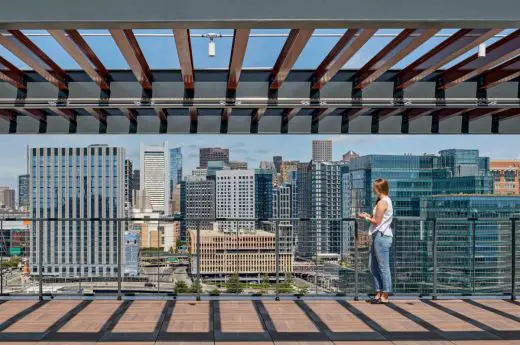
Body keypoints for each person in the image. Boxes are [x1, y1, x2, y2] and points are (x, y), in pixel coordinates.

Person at [359, 178, 393, 304]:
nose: (373, 189)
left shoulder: (382, 202)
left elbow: (377, 222)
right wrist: (369, 216)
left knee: (383, 267)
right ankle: (378, 292)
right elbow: (378, 219)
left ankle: (385, 294)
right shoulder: (383, 201)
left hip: (381, 236)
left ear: (379, 188)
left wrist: (365, 217)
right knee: (372, 266)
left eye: (375, 187)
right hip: (378, 235)